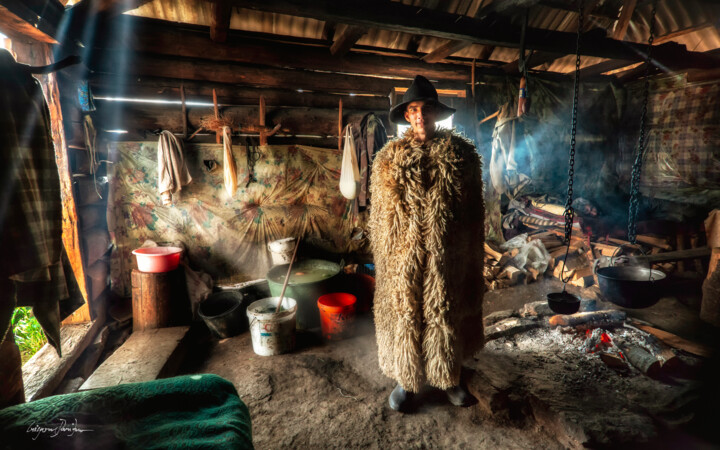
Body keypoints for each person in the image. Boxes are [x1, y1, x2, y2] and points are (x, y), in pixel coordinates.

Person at [368, 75, 486, 412]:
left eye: (427, 109)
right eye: (414, 110)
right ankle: (407, 381)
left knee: (445, 312)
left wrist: (465, 255)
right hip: (404, 255)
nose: (421, 115)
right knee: (408, 312)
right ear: (407, 115)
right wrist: (392, 258)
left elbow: (473, 212)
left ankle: (450, 377)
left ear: (437, 113)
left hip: (447, 254)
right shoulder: (387, 160)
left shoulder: (461, 156)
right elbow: (381, 219)